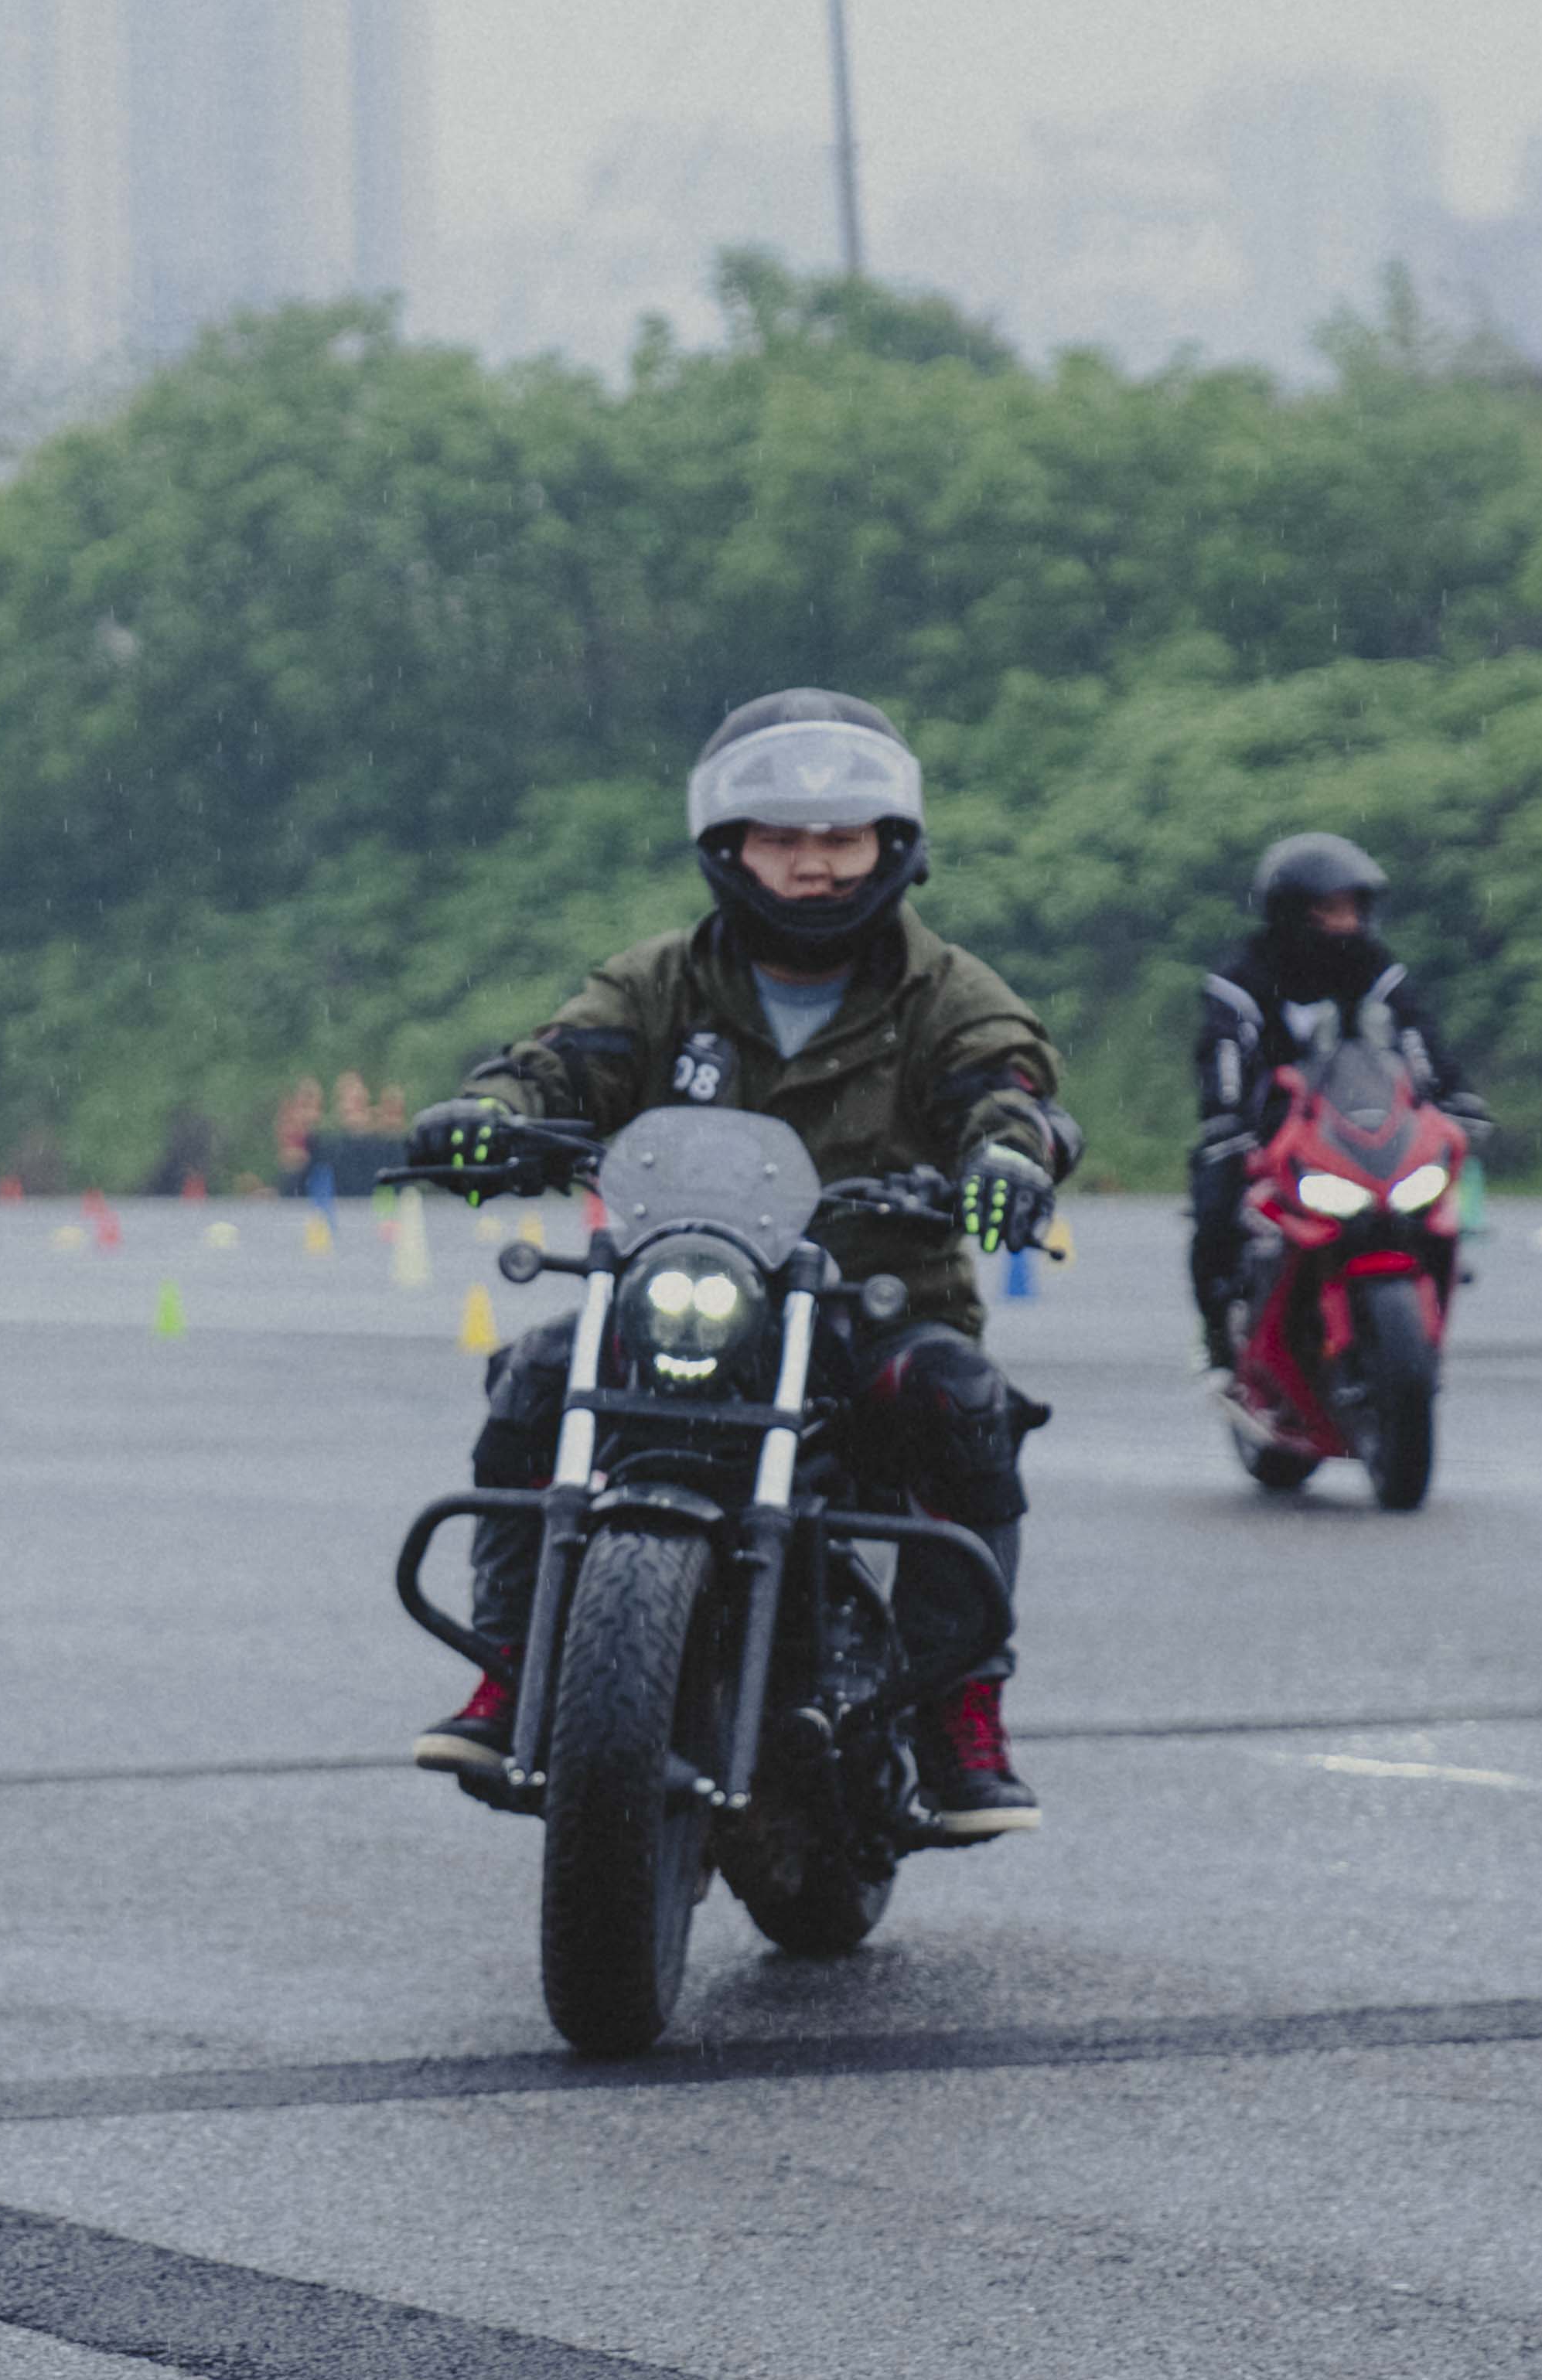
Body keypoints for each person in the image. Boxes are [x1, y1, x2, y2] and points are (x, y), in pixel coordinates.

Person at [400, 689, 1075, 1833]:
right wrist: (487, 1113)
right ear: (731, 849)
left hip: (871, 1310)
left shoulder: (949, 991)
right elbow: (557, 1064)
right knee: (533, 1376)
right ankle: (512, 1666)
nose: (813, 866)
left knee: (963, 1406)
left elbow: (1008, 1088)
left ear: (890, 847)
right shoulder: (659, 981)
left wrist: (1013, 1156)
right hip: (685, 1300)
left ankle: (963, 1714)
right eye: (783, 840)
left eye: (840, 839)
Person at [1185, 832, 1483, 1372]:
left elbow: (1417, 1036)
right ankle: (1220, 1337)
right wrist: (1225, 1119)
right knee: (1214, 1199)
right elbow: (1222, 1053)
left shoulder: (1373, 968)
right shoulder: (1242, 979)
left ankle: (1423, 1311)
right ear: (1293, 912)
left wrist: (1452, 1094)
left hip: (1361, 1123)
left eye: (1354, 908)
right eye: (1332, 909)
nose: (1347, 922)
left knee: (1436, 1206)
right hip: (1269, 1128)